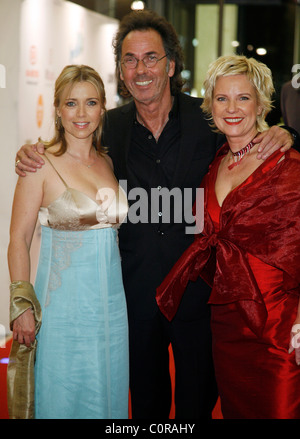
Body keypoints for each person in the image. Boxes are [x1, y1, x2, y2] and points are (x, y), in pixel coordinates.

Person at [14, 11, 298, 419]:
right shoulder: (106, 128)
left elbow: (250, 131)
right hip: (130, 300)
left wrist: (290, 133)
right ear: (121, 71)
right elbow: (67, 151)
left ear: (170, 64)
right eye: (130, 59)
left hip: (199, 297)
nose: (141, 68)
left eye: (151, 57)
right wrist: (30, 153)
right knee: (144, 409)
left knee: (196, 407)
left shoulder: (209, 120)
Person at [157, 55, 300, 419]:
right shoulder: (216, 163)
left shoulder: (287, 164)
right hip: (225, 325)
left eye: (243, 98)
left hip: (279, 326)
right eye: (222, 98)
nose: (232, 108)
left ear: (262, 103)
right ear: (210, 105)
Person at [7, 65, 129, 419]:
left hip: (111, 309)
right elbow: (18, 238)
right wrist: (22, 306)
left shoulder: (107, 161)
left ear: (102, 108)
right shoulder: (39, 163)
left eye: (90, 102)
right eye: (71, 103)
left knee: (106, 394)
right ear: (58, 109)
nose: (81, 113)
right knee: (62, 395)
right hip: (62, 310)